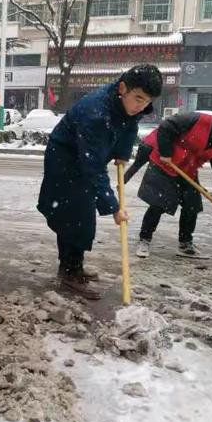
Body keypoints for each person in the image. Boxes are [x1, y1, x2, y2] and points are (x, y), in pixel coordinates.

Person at [38, 64, 163, 300]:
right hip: (65, 159)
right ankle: (68, 274)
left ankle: (75, 265)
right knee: (73, 214)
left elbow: (129, 125)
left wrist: (123, 153)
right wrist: (113, 206)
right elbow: (93, 167)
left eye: (146, 102)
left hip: (84, 157)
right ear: (123, 88)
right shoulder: (95, 113)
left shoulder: (127, 104)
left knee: (82, 215)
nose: (141, 106)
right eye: (138, 99)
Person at [125, 111, 212, 259]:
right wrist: (166, 152)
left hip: (188, 170)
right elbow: (166, 126)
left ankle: (185, 244)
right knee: (159, 203)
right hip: (164, 163)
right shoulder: (198, 120)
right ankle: (145, 239)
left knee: (192, 205)